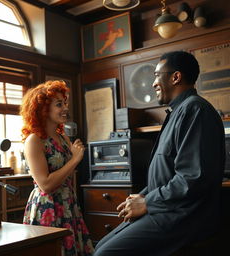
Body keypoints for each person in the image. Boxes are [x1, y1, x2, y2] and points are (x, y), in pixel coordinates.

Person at [94, 51, 226, 256]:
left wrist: (147, 202)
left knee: (105, 254)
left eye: (157, 75)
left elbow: (192, 179)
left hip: (183, 216)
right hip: (165, 209)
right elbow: (167, 176)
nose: (154, 83)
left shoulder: (195, 110)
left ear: (176, 77)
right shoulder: (179, 111)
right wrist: (142, 196)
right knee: (99, 246)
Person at [20, 80, 94, 256]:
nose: (65, 108)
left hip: (68, 204)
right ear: (43, 109)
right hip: (48, 207)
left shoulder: (63, 138)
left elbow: (68, 176)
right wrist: (75, 159)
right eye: (59, 104)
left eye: (65, 103)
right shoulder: (34, 140)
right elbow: (45, 185)